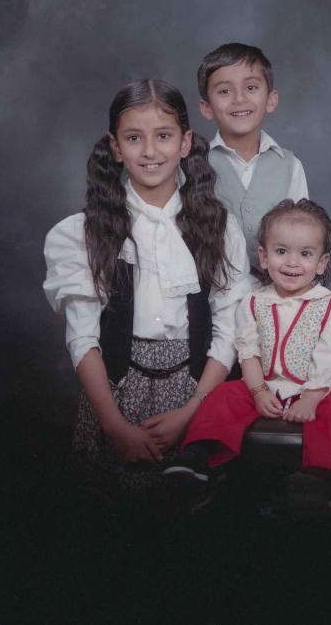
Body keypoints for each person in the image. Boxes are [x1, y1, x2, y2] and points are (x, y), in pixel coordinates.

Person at [43, 79, 250, 500]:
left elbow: (229, 329)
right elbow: (82, 337)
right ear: (116, 147)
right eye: (134, 138)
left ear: (186, 142)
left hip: (195, 388)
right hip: (117, 391)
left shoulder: (218, 227)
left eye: (163, 136)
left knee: (190, 520)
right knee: (115, 525)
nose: (150, 152)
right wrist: (115, 426)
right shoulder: (84, 232)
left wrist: (192, 411)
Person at [165, 199, 331, 513]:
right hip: (266, 382)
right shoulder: (253, 302)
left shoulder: (330, 306)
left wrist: (311, 399)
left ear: (322, 263)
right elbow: (249, 351)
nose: (292, 263)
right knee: (223, 396)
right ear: (263, 255)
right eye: (281, 251)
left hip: (319, 388)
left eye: (305, 254)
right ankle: (195, 462)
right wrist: (257, 391)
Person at [197, 42, 309, 275]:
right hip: (215, 298)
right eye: (224, 91)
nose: (239, 99)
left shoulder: (290, 166)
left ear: (271, 100)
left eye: (251, 87)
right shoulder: (194, 166)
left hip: (275, 298)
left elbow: (302, 234)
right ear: (207, 107)